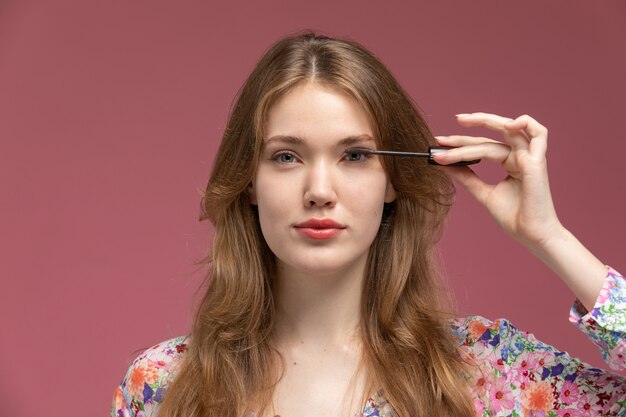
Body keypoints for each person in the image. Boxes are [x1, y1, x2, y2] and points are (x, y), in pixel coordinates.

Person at [111, 32, 626, 417]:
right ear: (248, 180)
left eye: (354, 155)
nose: (319, 190)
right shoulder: (162, 384)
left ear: (393, 181)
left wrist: (550, 237)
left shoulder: (481, 367)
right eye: (286, 157)